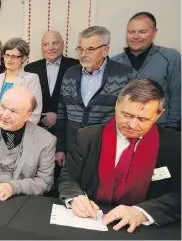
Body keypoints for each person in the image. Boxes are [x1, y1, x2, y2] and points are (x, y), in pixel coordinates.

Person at [58, 78, 181, 232]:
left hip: (144, 229)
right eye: (127, 115)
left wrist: (141, 212)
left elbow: (178, 195)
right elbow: (68, 177)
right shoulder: (88, 137)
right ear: (116, 104)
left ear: (158, 115)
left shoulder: (175, 144)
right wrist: (75, 197)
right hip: (93, 220)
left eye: (142, 119)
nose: (132, 125)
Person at [55, 26, 136, 169]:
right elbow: (61, 113)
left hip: (108, 149)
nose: (83, 54)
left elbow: (132, 115)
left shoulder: (125, 75)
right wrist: (60, 147)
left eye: (90, 49)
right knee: (71, 187)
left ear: (105, 50)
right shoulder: (70, 74)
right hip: (74, 149)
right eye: (80, 49)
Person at [112, 12, 181, 131]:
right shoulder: (114, 62)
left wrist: (172, 127)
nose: (136, 36)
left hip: (160, 128)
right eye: (131, 32)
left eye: (142, 32)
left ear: (154, 33)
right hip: (124, 130)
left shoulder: (170, 57)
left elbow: (177, 95)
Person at [25, 31, 79, 133]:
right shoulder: (30, 69)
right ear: (42, 47)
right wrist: (41, 116)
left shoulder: (76, 67)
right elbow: (27, 100)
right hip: (36, 128)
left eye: (55, 43)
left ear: (62, 44)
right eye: (46, 44)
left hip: (66, 128)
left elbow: (79, 99)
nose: (51, 48)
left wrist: (58, 116)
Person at [0, 38, 42, 124]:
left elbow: (35, 113)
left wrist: (18, 132)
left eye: (14, 56)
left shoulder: (31, 79)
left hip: (19, 132)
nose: (9, 59)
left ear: (24, 58)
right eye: (7, 55)